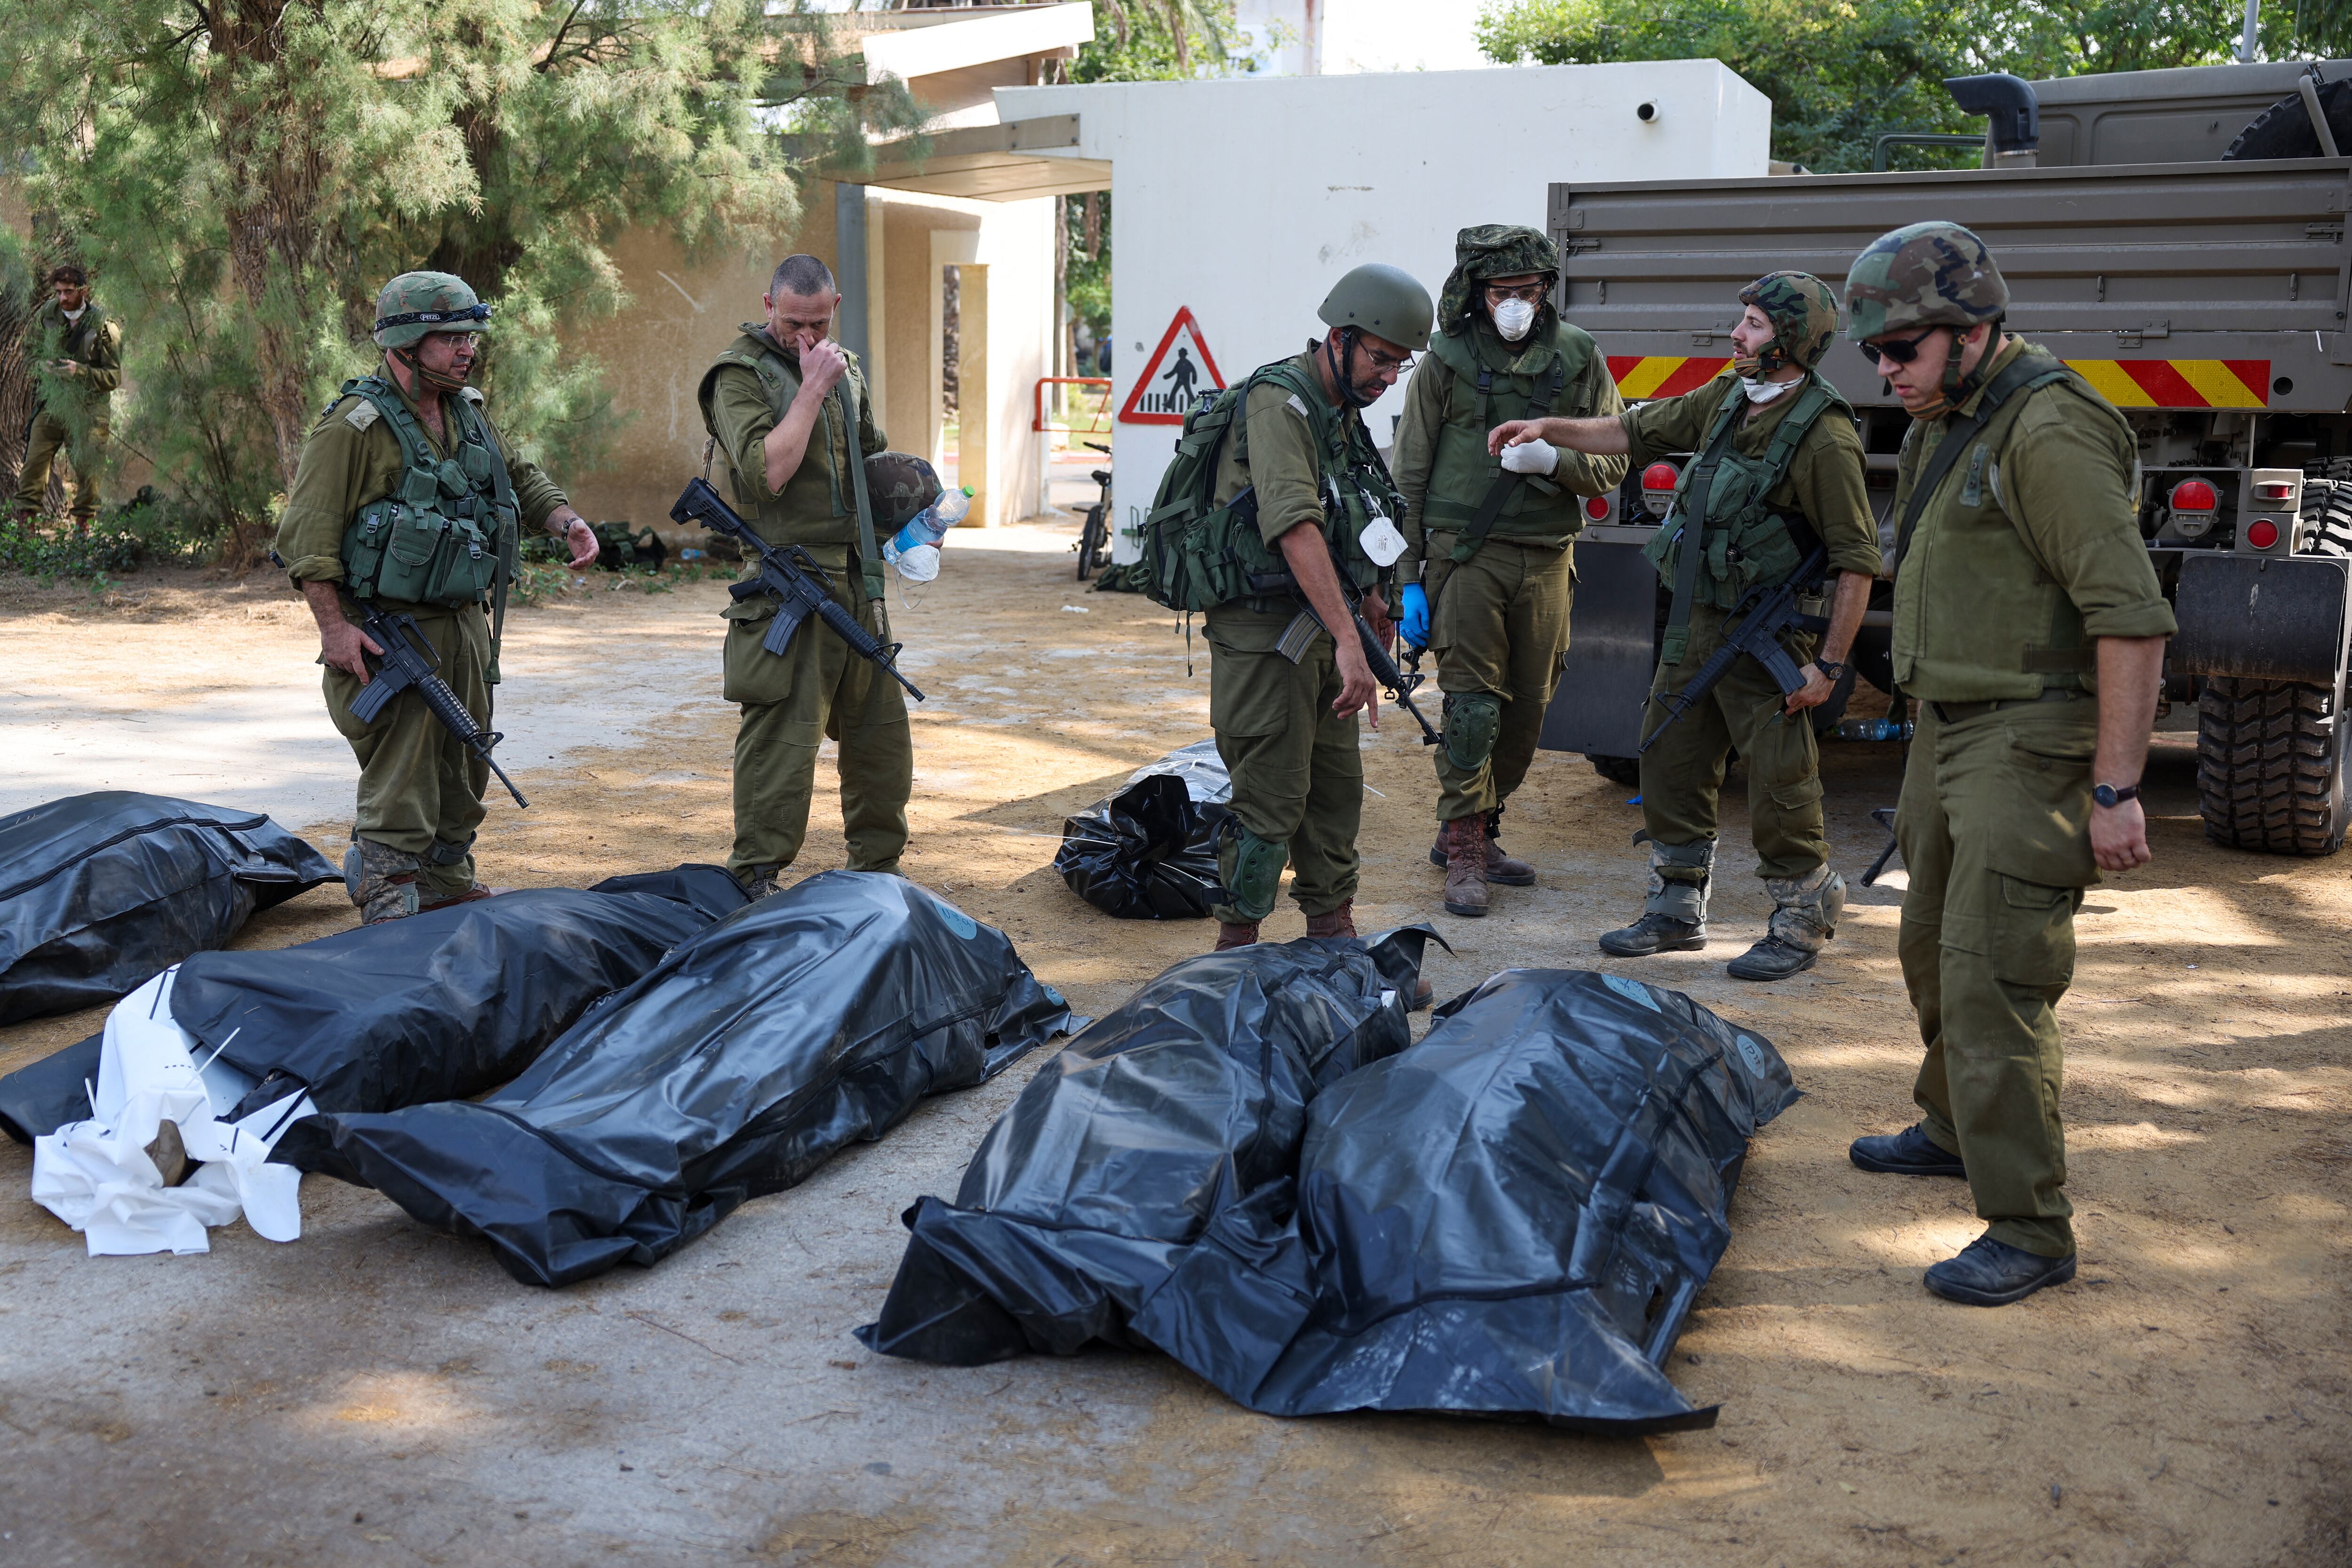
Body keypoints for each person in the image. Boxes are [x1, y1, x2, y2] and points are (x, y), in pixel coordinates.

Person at [1841, 221, 2173, 1306]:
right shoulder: (1950, 418)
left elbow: (2129, 618)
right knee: (1929, 945)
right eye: (1875, 353)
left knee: (1994, 974)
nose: (1885, 372)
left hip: (2027, 739)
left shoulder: (2049, 427)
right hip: (1946, 727)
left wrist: (2115, 788)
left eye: (1902, 349)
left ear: (1972, 328)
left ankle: (2030, 1225)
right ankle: (1952, 1126)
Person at [1492, 272, 1877, 980]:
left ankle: (1803, 913)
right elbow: (1633, 431)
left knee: (1780, 777)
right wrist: (1548, 428)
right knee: (1668, 757)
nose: (1738, 333)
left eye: (1755, 324)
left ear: (1791, 341)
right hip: (1695, 623)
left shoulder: (1823, 436)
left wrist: (1827, 667)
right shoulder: (1728, 396)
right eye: (1743, 320)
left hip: (1766, 637)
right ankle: (1675, 907)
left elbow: (1857, 561)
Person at [276, 271, 598, 923]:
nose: (466, 349)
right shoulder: (353, 428)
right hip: (390, 632)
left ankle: (446, 878)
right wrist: (335, 630)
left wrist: (565, 520)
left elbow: (518, 476)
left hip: (463, 623)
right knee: (404, 764)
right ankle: (386, 885)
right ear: (406, 343)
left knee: (465, 756)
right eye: (450, 338)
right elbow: (307, 540)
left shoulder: (466, 411)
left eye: (469, 337)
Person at [1391, 224, 1627, 918]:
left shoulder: (1579, 356)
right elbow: (1408, 474)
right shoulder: (1446, 359)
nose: (1515, 303)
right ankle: (1464, 847)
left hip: (1549, 555)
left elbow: (1615, 460)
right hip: (1467, 557)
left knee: (1527, 710)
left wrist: (1556, 462)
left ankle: (1477, 826)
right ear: (1477, 293)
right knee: (1472, 707)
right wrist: (1407, 577)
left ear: (1547, 288)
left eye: (1527, 289)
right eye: (1501, 292)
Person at [1205, 263, 1431, 959]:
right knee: (1269, 797)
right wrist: (1348, 640)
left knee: (1335, 789)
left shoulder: (1341, 412)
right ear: (1339, 338)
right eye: (1380, 359)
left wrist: (1373, 605)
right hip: (1265, 630)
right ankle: (1235, 950)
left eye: (1399, 365)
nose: (1388, 377)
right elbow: (1296, 527)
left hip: (1325, 624)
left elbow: (1350, 520)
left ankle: (1332, 934)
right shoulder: (1280, 401)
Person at [698, 253, 910, 899]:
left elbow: (871, 462)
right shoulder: (739, 376)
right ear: (769, 307)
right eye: (793, 323)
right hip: (786, 585)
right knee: (781, 747)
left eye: (819, 323)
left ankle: (878, 874)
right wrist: (813, 388)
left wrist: (917, 517)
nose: (807, 337)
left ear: (835, 307)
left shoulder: (847, 369)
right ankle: (754, 882)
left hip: (857, 580)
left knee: (880, 741)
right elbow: (767, 474)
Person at [13, 264, 120, 529]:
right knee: (33, 465)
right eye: (59, 292)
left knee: (88, 472)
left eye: (69, 291)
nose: (63, 298)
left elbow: (113, 378)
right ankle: (26, 531)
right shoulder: (48, 314)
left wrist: (79, 371)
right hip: (52, 404)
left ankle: (83, 530)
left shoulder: (104, 326)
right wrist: (41, 366)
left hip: (88, 409)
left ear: (84, 291)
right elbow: (29, 351)